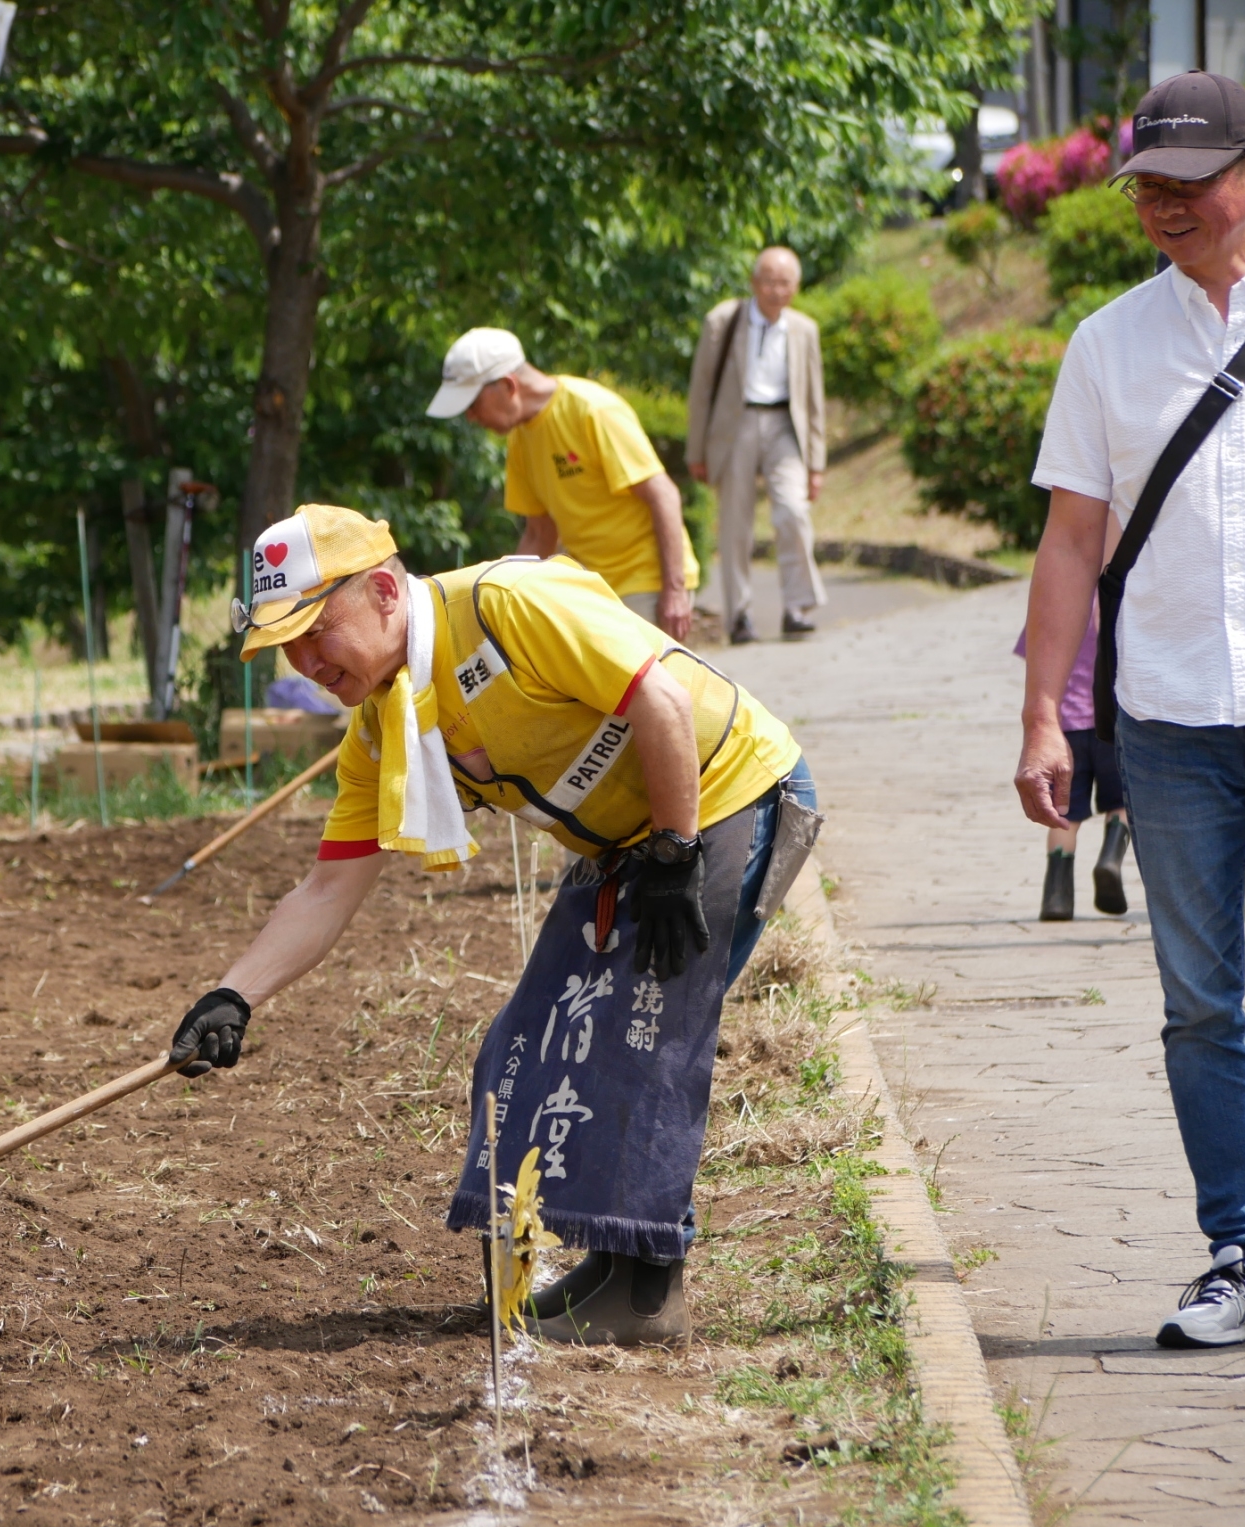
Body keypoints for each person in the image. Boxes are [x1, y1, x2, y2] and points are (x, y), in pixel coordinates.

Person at [167, 503, 814, 1345]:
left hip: (724, 792)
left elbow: (659, 698)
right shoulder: (382, 724)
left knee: (643, 1028)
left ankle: (649, 1291)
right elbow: (328, 889)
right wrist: (232, 993)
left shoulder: (509, 605)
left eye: (316, 631)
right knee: (525, 1045)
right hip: (631, 838)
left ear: (384, 592)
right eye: (286, 647)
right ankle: (609, 1266)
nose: (306, 661)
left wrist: (674, 852)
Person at [1015, 71, 1245, 1349]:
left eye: (1189, 180)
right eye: (1145, 186)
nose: (1162, 205)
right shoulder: (1106, 343)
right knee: (1199, 997)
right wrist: (1041, 720)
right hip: (1165, 719)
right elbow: (1067, 543)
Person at [426, 328, 699, 641]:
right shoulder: (521, 440)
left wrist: (674, 591)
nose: (471, 417)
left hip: (646, 581)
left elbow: (663, 494)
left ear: (507, 385)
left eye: (472, 404)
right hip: (592, 589)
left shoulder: (591, 410)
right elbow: (539, 534)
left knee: (646, 689)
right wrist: (501, 601)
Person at [685, 248, 829, 644]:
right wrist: (696, 450)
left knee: (794, 511)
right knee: (735, 523)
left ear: (795, 287)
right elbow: (701, 389)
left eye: (784, 283)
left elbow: (814, 399)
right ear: (754, 283)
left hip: (785, 424)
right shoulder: (723, 321)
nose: (776, 290)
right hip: (736, 424)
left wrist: (817, 464)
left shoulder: (804, 329)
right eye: (768, 281)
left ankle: (797, 606)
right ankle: (739, 615)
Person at [1012, 603, 1130, 922]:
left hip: (1064, 733)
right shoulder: (1118, 601)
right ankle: (1110, 860)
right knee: (1121, 804)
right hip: (1110, 726)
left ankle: (1057, 897)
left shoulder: (1056, 609)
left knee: (1065, 816)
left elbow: (1033, 656)